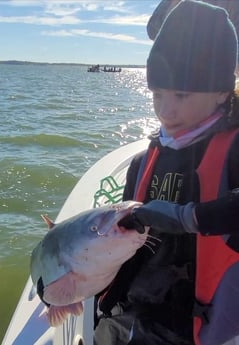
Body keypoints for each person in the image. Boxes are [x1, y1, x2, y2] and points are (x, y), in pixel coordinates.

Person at [94, 1, 239, 345]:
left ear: (221, 91)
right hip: (139, 314)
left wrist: (187, 217)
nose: (165, 110)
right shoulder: (144, 160)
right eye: (157, 94)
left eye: (181, 94)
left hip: (209, 325)